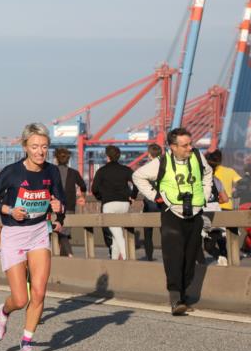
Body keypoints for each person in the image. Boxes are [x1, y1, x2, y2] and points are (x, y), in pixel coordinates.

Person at [0, 123, 65, 351]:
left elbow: (60, 200)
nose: (40, 151)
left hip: (39, 232)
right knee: (21, 299)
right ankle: (3, 312)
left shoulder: (51, 172)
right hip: (13, 233)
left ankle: (27, 344)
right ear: (25, 147)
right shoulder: (13, 172)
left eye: (44, 147)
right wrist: (8, 209)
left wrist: (59, 211)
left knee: (39, 292)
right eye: (35, 146)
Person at [132, 127, 213, 315]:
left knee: (190, 258)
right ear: (173, 147)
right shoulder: (162, 162)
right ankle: (175, 299)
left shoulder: (198, 157)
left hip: (194, 214)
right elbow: (138, 176)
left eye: (190, 144)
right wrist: (155, 197)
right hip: (172, 215)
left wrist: (205, 195)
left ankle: (183, 297)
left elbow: (208, 174)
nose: (189, 148)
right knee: (174, 258)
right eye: (185, 145)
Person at [90, 146, 137, 260]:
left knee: (117, 234)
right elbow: (137, 182)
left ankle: (127, 258)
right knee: (116, 234)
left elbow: (94, 188)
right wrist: (133, 196)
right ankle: (114, 261)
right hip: (124, 204)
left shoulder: (102, 171)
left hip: (109, 204)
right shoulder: (126, 169)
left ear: (107, 157)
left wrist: (101, 197)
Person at [52, 148, 87, 257]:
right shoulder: (74, 173)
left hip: (54, 207)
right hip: (70, 206)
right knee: (64, 232)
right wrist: (82, 196)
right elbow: (83, 186)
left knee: (59, 232)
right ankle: (65, 257)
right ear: (68, 159)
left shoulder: (51, 171)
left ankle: (69, 253)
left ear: (56, 159)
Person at [138, 144, 164, 261]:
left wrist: (132, 196)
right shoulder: (165, 167)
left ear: (149, 155)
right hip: (163, 205)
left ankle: (149, 257)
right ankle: (167, 256)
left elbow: (137, 183)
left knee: (148, 234)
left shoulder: (145, 168)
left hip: (149, 205)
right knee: (164, 233)